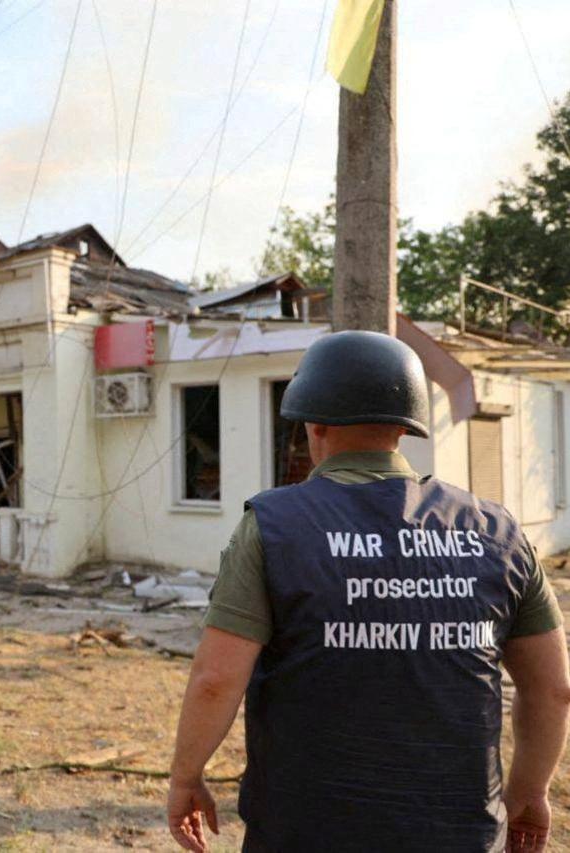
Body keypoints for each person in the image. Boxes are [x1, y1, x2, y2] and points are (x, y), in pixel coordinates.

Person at [166, 330, 570, 852]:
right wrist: (529, 791)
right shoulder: (498, 532)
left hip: (304, 832)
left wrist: (185, 777)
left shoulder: (274, 526)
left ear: (315, 425)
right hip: (458, 833)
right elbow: (553, 689)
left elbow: (217, 680)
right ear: (406, 427)